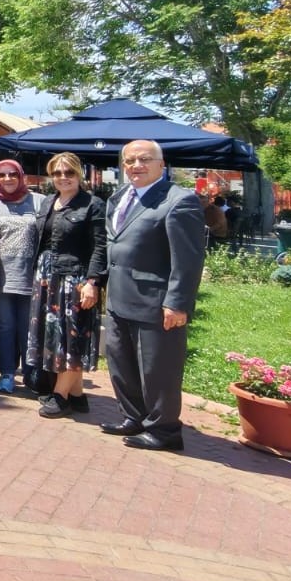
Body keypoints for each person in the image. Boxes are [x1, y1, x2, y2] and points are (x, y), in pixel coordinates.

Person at [100, 140, 206, 451]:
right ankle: (133, 417)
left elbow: (188, 259)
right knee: (122, 364)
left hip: (155, 303)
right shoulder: (119, 198)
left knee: (157, 370)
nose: (136, 166)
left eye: (144, 159)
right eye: (129, 161)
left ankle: (164, 431)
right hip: (119, 298)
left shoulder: (178, 201)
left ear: (162, 164)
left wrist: (177, 302)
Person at [32, 153, 108, 419]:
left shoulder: (93, 204)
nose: (63, 177)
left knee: (71, 337)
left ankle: (61, 396)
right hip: (46, 276)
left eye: (69, 172)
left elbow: (100, 246)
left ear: (79, 174)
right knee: (55, 337)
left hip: (74, 278)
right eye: (57, 173)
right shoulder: (48, 202)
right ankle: (77, 395)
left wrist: (92, 282)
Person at [0, 158, 46, 393]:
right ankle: (7, 374)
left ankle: (31, 376)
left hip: (33, 279)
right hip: (1, 279)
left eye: (12, 174)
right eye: (1, 175)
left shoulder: (40, 202)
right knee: (4, 328)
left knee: (29, 330)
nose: (7, 179)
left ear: (21, 176)